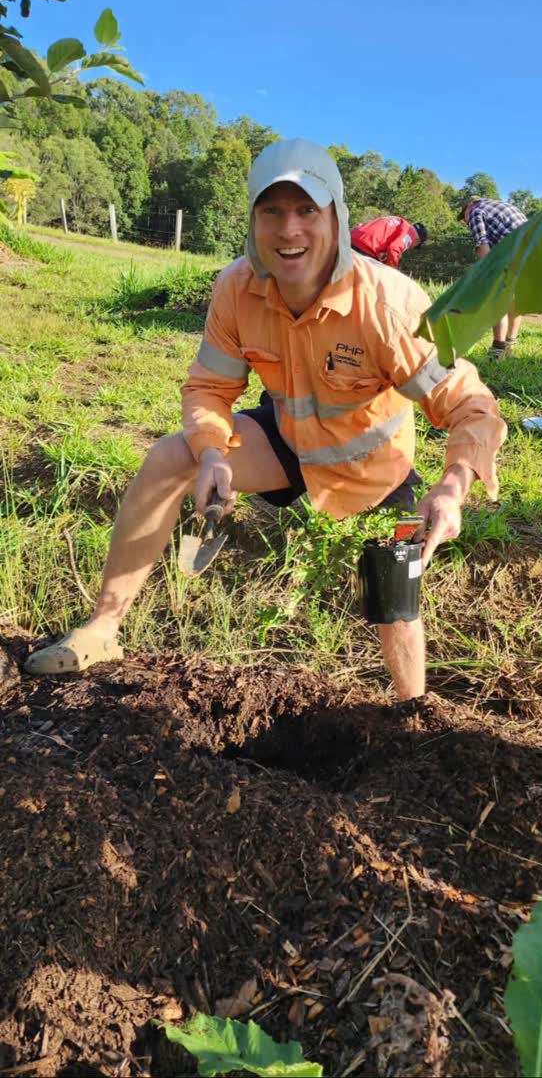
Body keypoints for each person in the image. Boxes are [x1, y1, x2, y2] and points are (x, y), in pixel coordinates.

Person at [25, 139, 507, 700]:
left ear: (337, 216)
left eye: (307, 210)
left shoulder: (389, 306)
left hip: (377, 467)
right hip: (287, 442)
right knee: (169, 457)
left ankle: (412, 711)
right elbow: (210, 387)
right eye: (271, 211)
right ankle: (103, 629)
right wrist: (210, 452)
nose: (289, 230)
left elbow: (471, 405)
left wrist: (453, 485)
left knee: (395, 596)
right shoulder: (237, 289)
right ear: (253, 221)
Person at [460, 196, 527, 359]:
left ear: (468, 207)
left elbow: (483, 248)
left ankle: (497, 351)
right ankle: (509, 346)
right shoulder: (501, 205)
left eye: (463, 217)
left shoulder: (476, 212)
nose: (465, 222)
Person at [351, 216, 427, 269]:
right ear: (418, 241)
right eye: (415, 246)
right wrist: (392, 272)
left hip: (353, 238)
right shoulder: (410, 234)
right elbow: (394, 249)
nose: (411, 247)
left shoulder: (398, 220)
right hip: (366, 247)